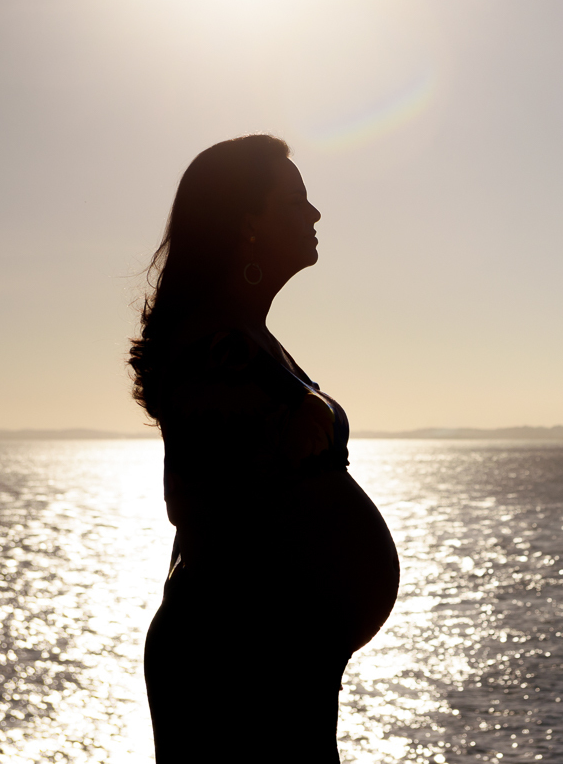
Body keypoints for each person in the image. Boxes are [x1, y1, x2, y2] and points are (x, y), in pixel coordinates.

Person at [128, 135, 400, 762]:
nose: (314, 214)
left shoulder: (245, 337)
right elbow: (196, 504)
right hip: (239, 672)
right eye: (297, 200)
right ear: (248, 223)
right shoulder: (215, 347)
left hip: (277, 664)